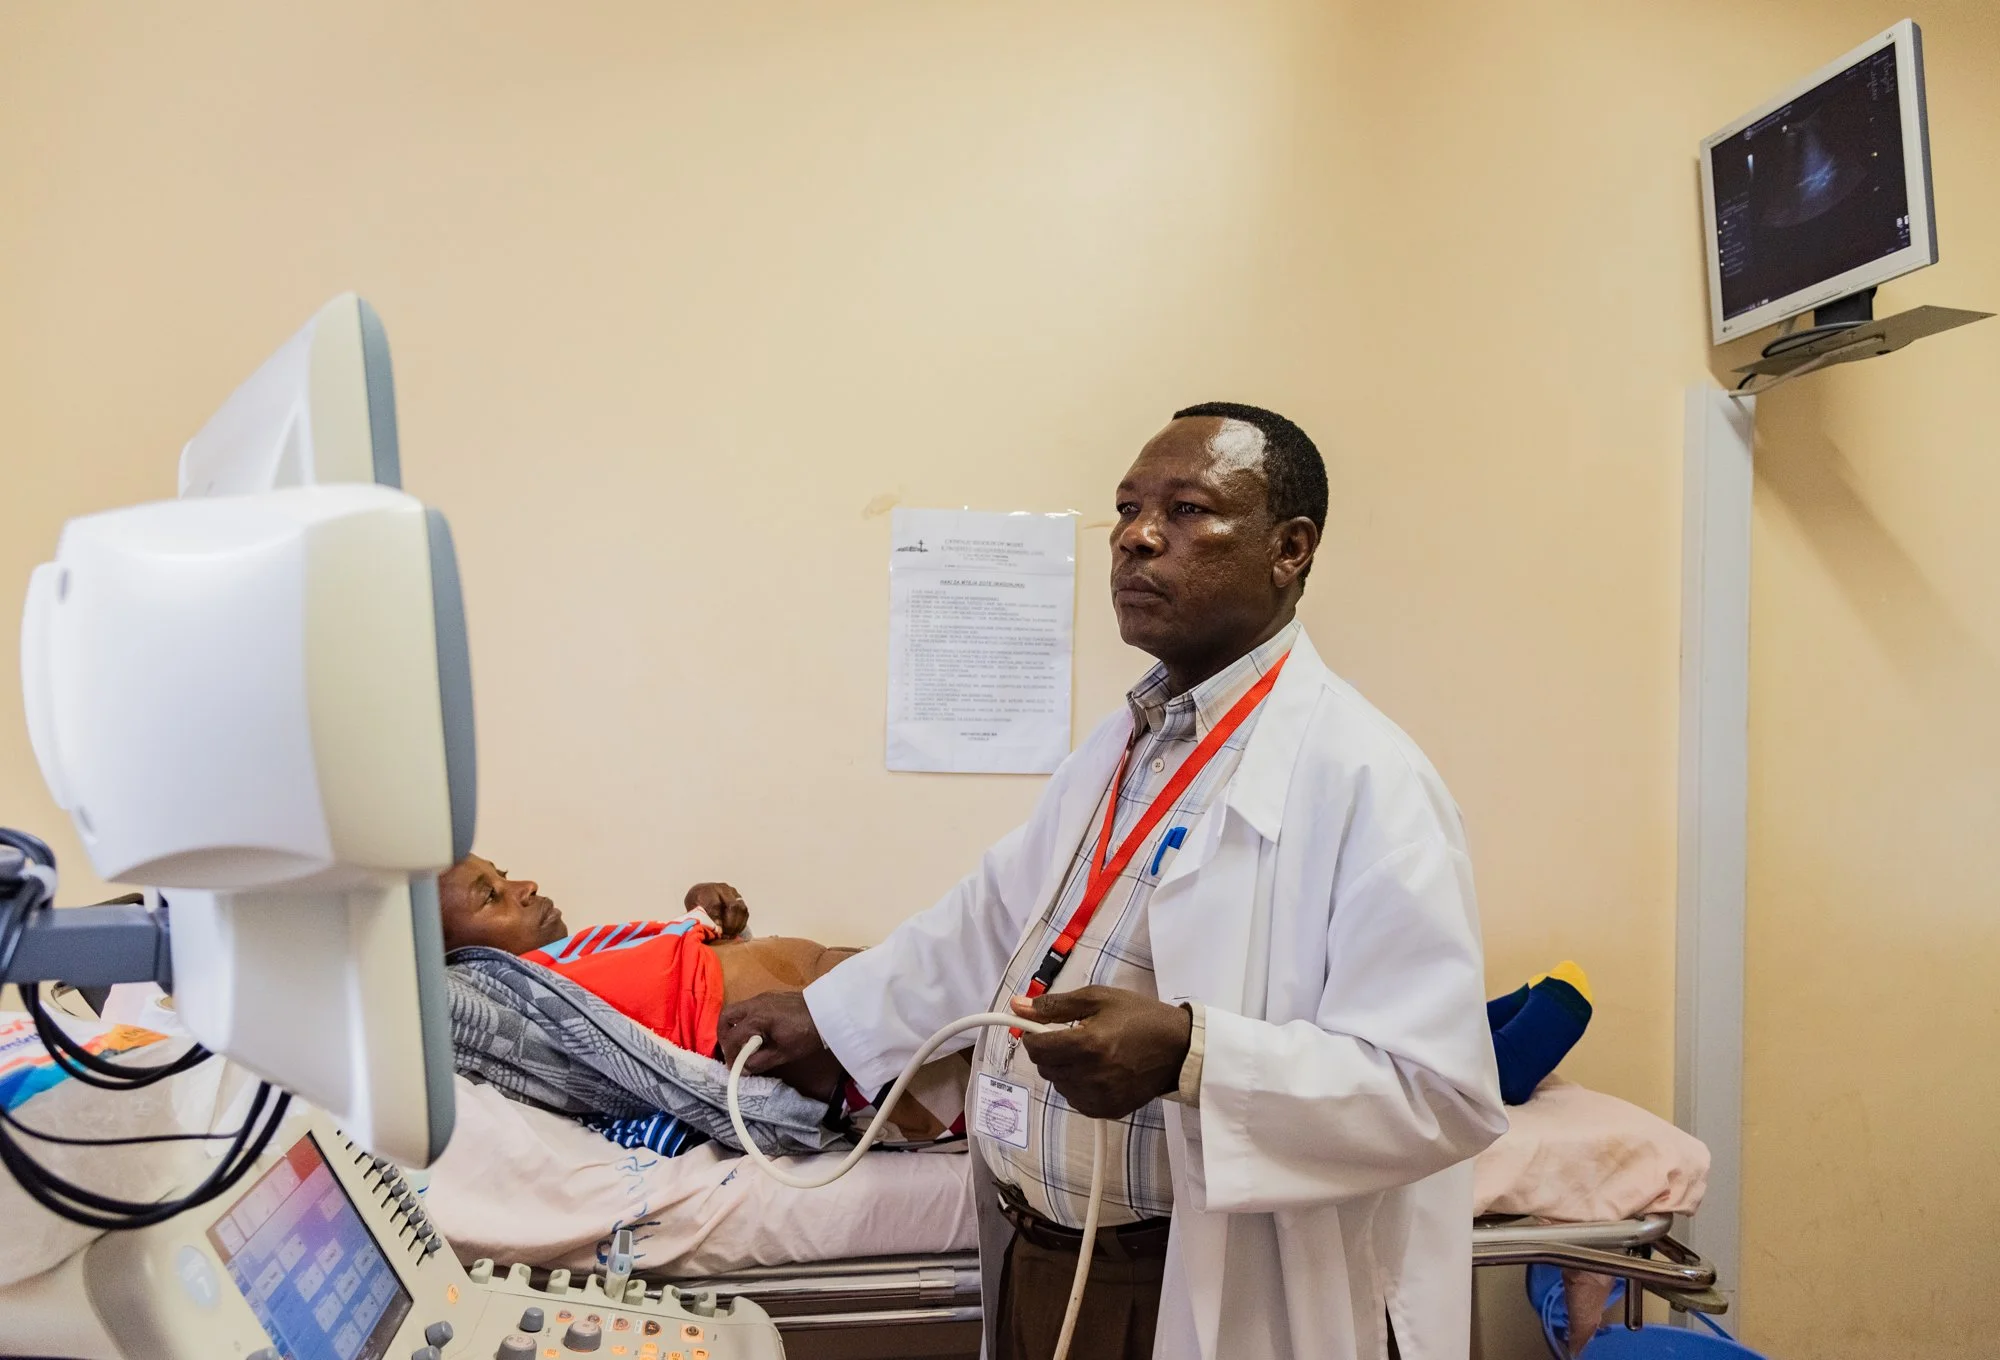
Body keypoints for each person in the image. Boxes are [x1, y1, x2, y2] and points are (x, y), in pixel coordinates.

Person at [717, 402, 1507, 1360]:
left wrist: (1188, 1053)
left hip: (1190, 1281)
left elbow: (1439, 1095)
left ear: (1289, 548)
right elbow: (991, 917)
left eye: (1187, 510)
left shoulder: (1369, 780)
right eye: (1129, 508)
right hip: (1036, 1249)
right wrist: (830, 1015)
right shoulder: (1126, 744)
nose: (1136, 537)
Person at [437, 855, 858, 1105]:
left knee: (914, 978)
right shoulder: (535, 1003)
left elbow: (665, 963)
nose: (526, 886)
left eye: (504, 874)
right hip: (813, 1042)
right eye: (491, 896)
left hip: (827, 994)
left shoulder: (575, 956)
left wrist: (702, 910)